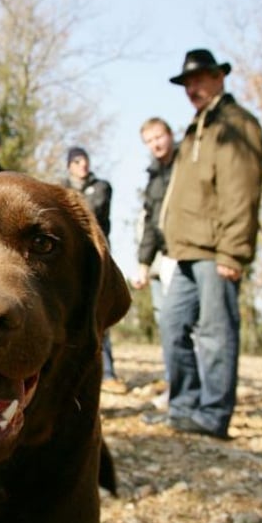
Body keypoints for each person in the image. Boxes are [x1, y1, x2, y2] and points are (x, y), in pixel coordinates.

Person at [160, 48, 262, 439]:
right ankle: (183, 407)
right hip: (184, 249)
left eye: (200, 78)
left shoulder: (236, 124)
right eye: (187, 82)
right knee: (172, 326)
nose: (193, 87)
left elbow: (242, 193)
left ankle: (213, 415)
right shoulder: (196, 126)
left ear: (220, 77)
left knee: (217, 334)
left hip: (216, 251)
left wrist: (233, 252)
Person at [65, 146, 127, 394]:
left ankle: (108, 373)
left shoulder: (101, 186)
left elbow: (89, 210)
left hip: (94, 259)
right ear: (69, 165)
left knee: (99, 317)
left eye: (85, 160)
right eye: (77, 161)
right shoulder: (60, 186)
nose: (83, 165)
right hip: (68, 262)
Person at [132, 117, 178, 408]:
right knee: (169, 325)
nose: (156, 144)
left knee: (188, 326)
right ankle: (178, 388)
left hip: (185, 252)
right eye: (149, 141)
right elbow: (151, 222)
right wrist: (143, 264)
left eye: (159, 137)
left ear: (170, 135)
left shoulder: (185, 165)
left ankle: (195, 394)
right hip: (163, 257)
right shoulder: (153, 175)